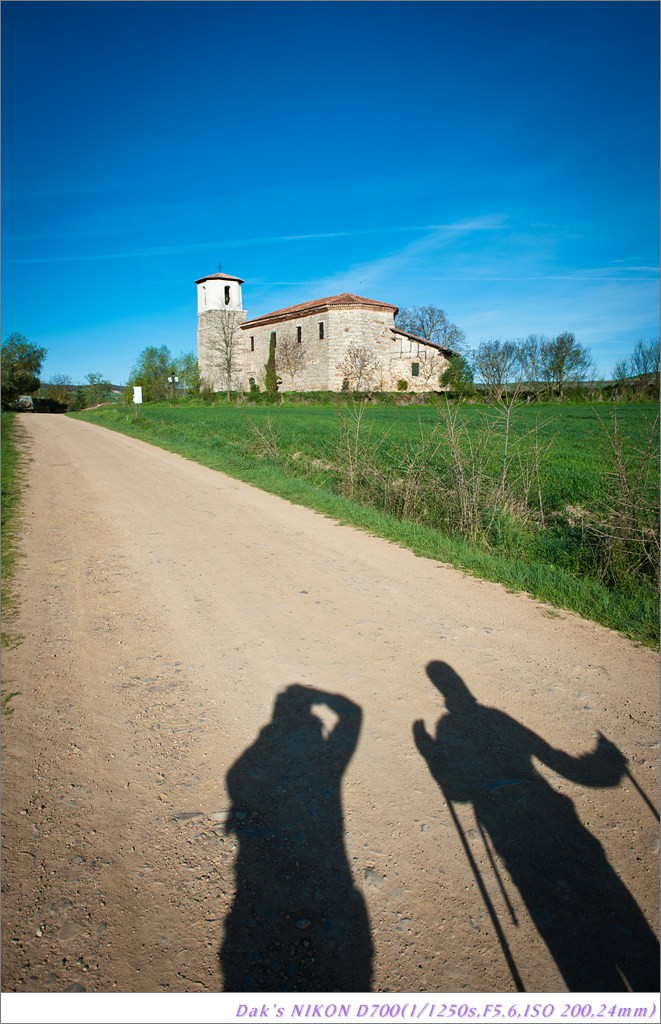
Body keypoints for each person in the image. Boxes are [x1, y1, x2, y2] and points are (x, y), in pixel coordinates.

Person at [414, 661, 660, 991]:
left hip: (508, 835)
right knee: (631, 926)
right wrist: (611, 764)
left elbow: (458, 796)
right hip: (563, 821)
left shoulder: (447, 726)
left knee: (569, 947)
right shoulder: (498, 718)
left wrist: (431, 756)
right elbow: (567, 767)